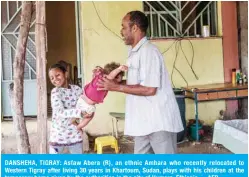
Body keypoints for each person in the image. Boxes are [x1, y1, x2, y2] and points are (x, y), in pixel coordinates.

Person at [97, 11, 184, 154]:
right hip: (143, 123)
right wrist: (115, 81)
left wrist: (117, 86)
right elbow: (138, 82)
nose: (121, 31)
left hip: (158, 122)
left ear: (135, 28)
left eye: (124, 27)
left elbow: (150, 89)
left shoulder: (149, 51)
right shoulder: (134, 52)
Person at [48, 63, 92, 154]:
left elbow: (84, 103)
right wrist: (80, 113)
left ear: (66, 74)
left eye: (57, 75)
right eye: (52, 78)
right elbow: (60, 112)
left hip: (74, 133)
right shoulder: (55, 92)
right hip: (58, 134)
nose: (55, 79)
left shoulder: (76, 89)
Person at [72, 62, 127, 131]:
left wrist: (98, 68)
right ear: (117, 76)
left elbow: (97, 70)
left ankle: (73, 120)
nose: (118, 82)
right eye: (120, 79)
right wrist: (119, 69)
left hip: (82, 98)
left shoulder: (99, 76)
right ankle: (78, 127)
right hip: (88, 104)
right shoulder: (106, 79)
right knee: (89, 117)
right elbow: (111, 75)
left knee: (79, 112)